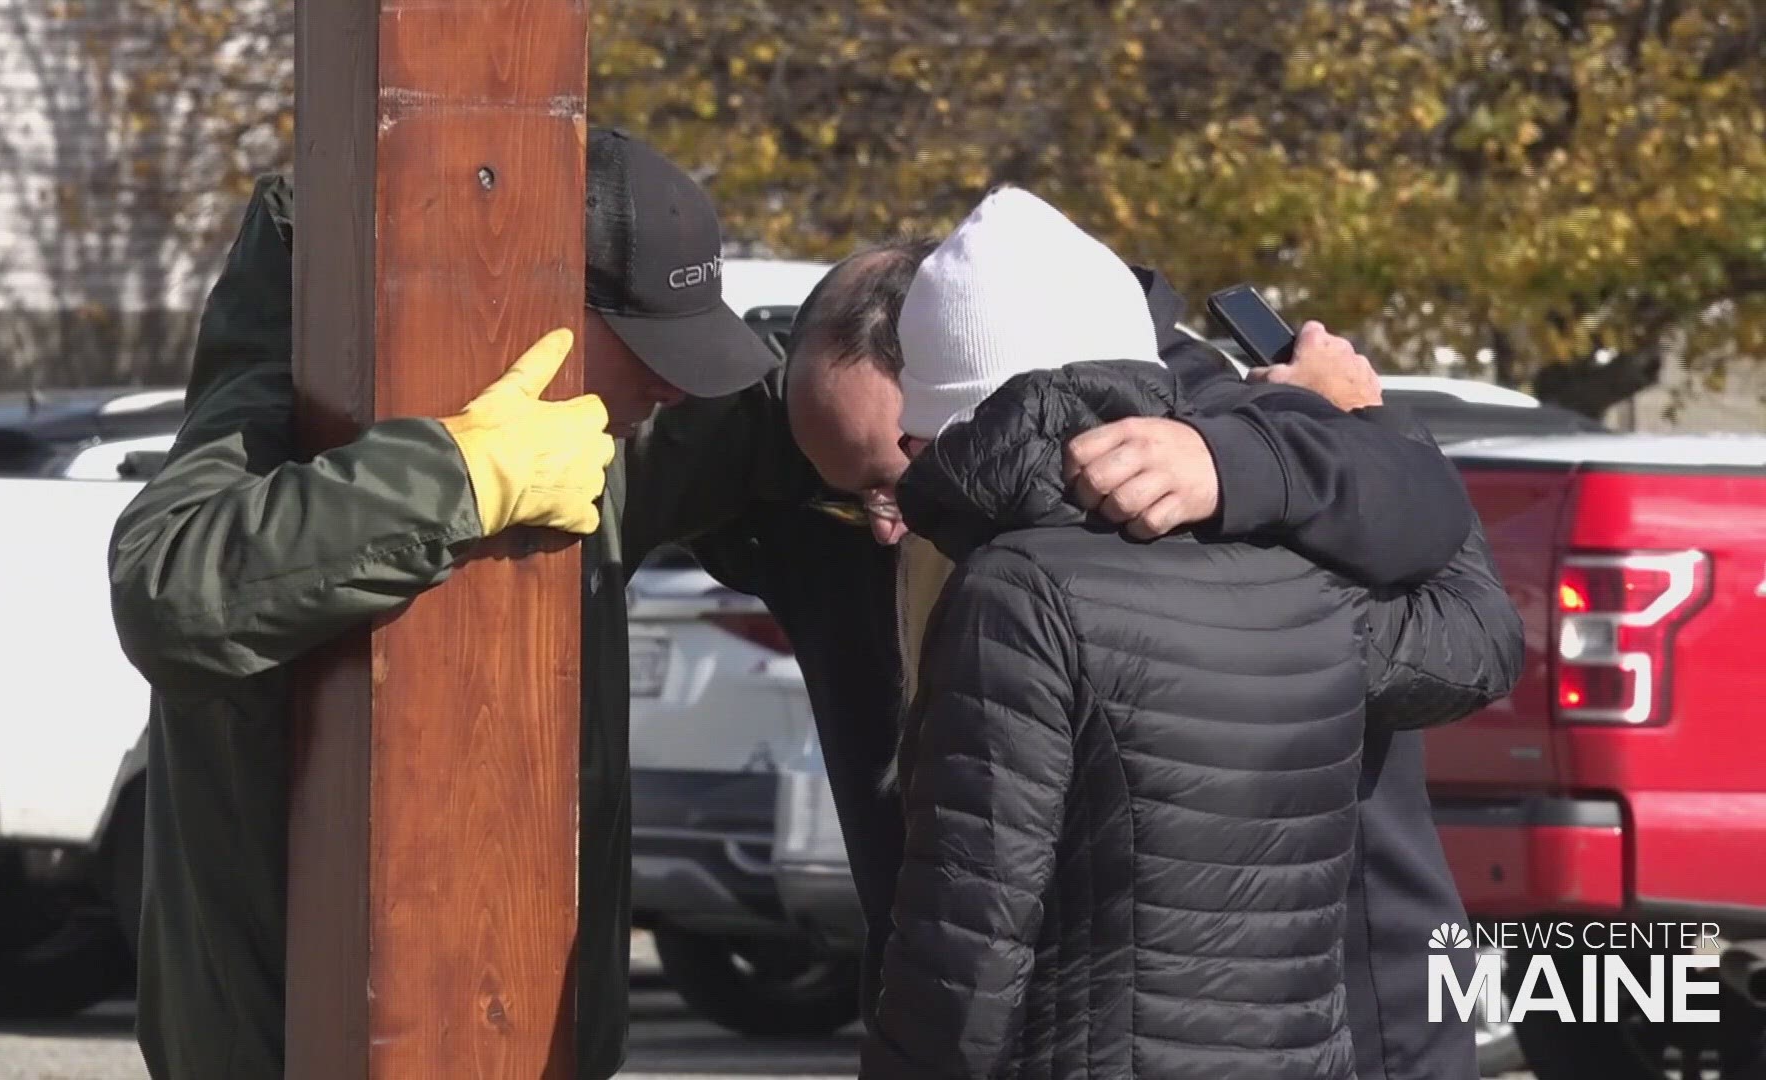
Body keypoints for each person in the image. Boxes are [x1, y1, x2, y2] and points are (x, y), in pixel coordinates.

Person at [107, 129, 819, 1080]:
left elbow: (829, 391)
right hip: (283, 1050)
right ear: (528, 301)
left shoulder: (601, 423)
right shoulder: (310, 382)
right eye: (648, 345)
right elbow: (171, 587)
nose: (671, 383)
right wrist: (460, 476)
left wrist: (1068, 412)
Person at [780, 213, 1518, 1077]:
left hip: (1366, 1012)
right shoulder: (1260, 506)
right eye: (854, 498)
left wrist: (1306, 438)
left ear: (964, 411)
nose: (891, 525)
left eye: (903, 473)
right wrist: (1345, 421)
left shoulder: (1193, 500)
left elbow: (1475, 638)